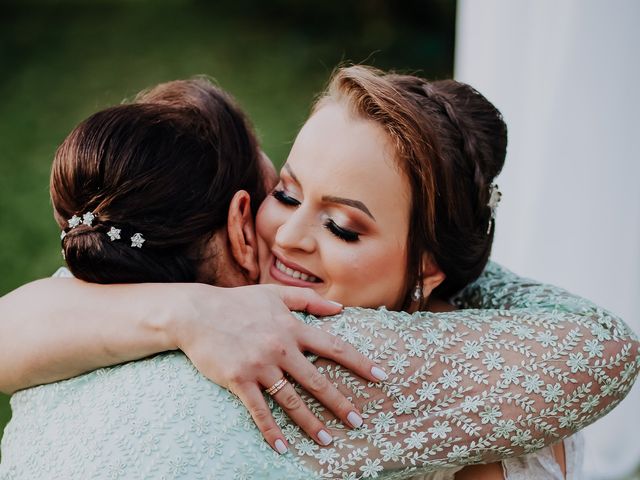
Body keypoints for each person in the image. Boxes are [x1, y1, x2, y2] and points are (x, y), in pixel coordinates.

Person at [0, 70, 637, 479]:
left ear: (429, 265)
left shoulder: (438, 373)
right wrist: (192, 310)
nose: (292, 237)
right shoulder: (195, 309)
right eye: (287, 192)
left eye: (343, 227)